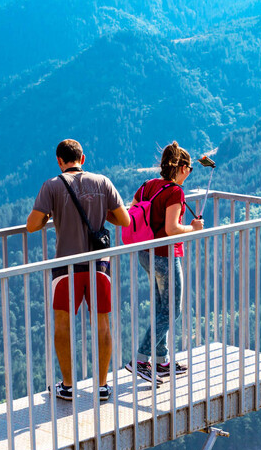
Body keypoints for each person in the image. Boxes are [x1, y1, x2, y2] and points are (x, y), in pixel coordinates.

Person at [26, 139, 130, 401]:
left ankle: (69, 386)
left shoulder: (51, 186)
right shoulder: (102, 182)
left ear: (59, 161)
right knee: (102, 323)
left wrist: (51, 215)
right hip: (99, 264)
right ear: (83, 158)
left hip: (66, 266)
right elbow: (125, 219)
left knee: (62, 323)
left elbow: (32, 225)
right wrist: (102, 212)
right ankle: (103, 385)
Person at [126, 141, 204, 383]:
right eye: (189, 168)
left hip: (145, 253)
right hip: (166, 256)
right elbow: (171, 228)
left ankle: (162, 361)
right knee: (172, 311)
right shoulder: (175, 193)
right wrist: (192, 228)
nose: (190, 173)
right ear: (181, 168)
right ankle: (140, 360)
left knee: (162, 307)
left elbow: (136, 213)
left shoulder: (147, 186)